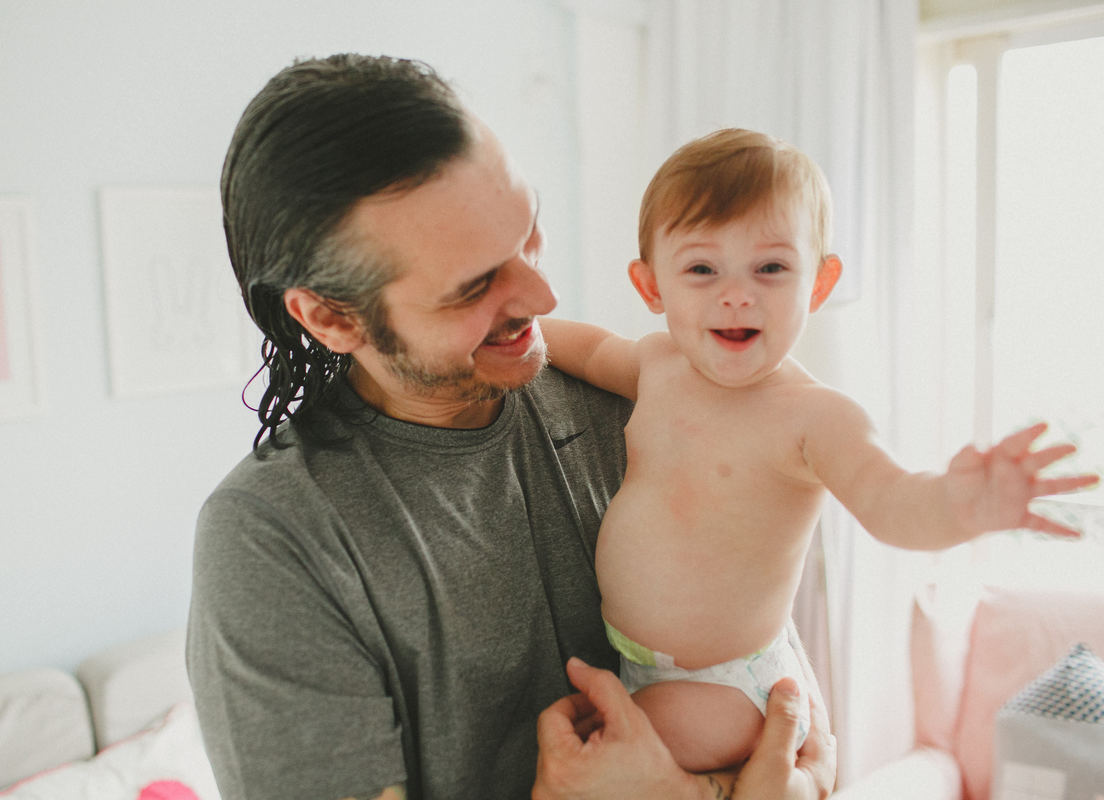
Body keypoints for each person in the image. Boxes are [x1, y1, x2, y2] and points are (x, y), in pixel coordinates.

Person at [185, 56, 836, 799]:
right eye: (475, 285)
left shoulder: (640, 403)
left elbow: (796, 728)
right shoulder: (277, 540)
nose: (543, 294)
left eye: (529, 233)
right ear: (333, 317)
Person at [541, 127, 1101, 773]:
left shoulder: (814, 417)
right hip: (638, 663)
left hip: (725, 685)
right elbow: (583, 348)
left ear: (819, 283)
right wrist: (511, 325)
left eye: (771, 268)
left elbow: (897, 504)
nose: (737, 292)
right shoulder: (658, 364)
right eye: (702, 268)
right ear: (651, 286)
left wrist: (961, 504)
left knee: (598, 771)